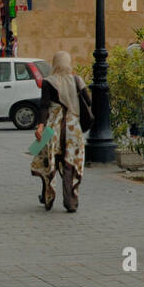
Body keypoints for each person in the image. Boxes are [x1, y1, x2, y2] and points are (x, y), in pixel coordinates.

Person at [31, 51, 92, 213]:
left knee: (45, 158)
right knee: (69, 163)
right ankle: (70, 201)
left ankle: (47, 196)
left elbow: (44, 106)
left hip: (53, 127)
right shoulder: (77, 80)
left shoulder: (48, 82)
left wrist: (40, 126)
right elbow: (89, 101)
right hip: (73, 129)